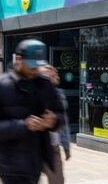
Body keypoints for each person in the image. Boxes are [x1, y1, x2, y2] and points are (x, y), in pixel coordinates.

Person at [0, 39, 65, 184]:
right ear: (18, 59)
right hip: (11, 167)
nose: (35, 71)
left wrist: (53, 121)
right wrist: (24, 125)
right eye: (31, 66)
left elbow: (61, 115)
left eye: (37, 66)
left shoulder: (45, 84)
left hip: (37, 162)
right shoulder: (3, 86)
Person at [40, 64, 71, 184]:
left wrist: (67, 147)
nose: (51, 78)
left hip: (52, 148)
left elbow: (64, 124)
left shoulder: (59, 95)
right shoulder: (30, 93)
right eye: (46, 76)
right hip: (33, 146)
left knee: (57, 180)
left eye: (53, 75)